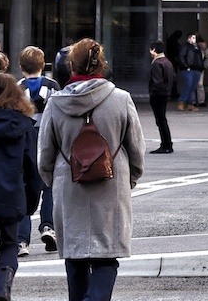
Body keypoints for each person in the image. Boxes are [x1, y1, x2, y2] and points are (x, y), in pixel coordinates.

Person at [38, 39, 145, 301]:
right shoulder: (121, 99)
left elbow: (45, 156)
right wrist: (130, 178)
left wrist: (56, 180)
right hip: (111, 186)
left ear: (71, 66)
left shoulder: (55, 103)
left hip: (69, 187)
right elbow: (136, 148)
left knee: (74, 258)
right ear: (102, 64)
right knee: (106, 257)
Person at [0, 72, 43, 301]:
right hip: (12, 195)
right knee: (10, 244)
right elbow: (32, 169)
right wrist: (31, 202)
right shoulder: (24, 126)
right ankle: (3, 287)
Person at [13, 49, 56, 256]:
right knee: (49, 186)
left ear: (21, 68)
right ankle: (48, 226)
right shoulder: (53, 87)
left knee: (23, 189)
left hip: (25, 144)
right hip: (49, 141)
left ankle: (22, 241)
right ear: (43, 65)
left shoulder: (17, 89)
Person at [144, 45, 175, 155]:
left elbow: (157, 81)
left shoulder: (157, 63)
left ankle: (166, 144)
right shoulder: (167, 62)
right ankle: (167, 144)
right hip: (165, 93)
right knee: (162, 120)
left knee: (160, 120)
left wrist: (152, 92)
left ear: (153, 50)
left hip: (158, 95)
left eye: (150, 49)